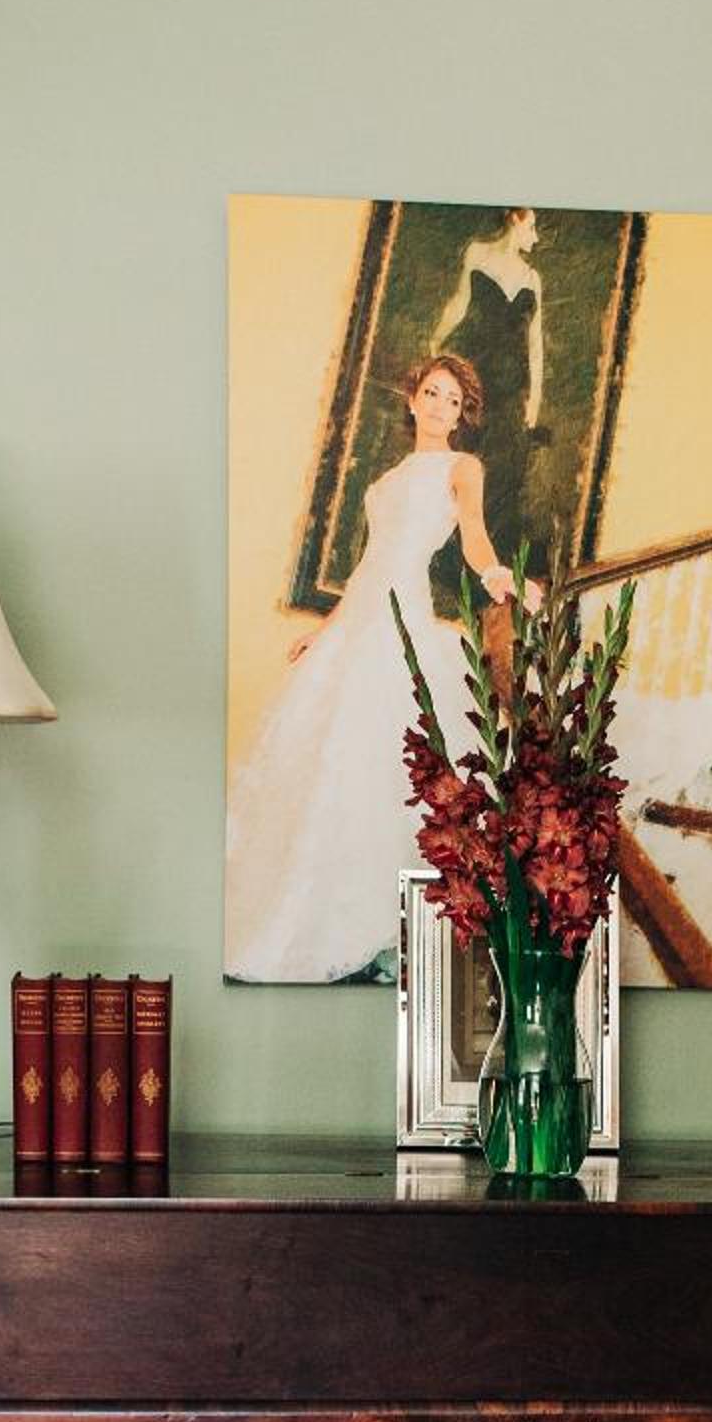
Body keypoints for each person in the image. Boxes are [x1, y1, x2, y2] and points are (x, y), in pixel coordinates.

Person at [224, 353, 524, 982]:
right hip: (361, 619)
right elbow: (368, 566)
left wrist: (494, 572)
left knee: (393, 754)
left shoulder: (462, 468)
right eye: (432, 393)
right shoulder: (384, 484)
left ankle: (398, 925)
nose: (440, 407)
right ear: (412, 400)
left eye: (452, 400)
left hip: (402, 617)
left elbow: (472, 534)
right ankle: (320, 908)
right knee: (331, 754)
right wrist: (325, 630)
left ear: (460, 415)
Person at [432, 208, 546, 566]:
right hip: (477, 372)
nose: (536, 237)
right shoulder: (477, 253)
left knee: (498, 469)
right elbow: (459, 303)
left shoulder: (532, 278)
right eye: (532, 227)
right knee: (462, 455)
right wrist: (436, 341)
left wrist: (535, 399)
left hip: (511, 388)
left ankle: (480, 559)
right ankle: (445, 550)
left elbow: (535, 343)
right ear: (514, 220)